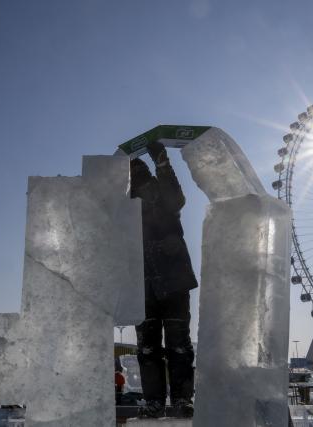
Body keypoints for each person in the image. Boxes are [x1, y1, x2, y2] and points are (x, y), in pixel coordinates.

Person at [131, 141, 197, 419]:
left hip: (172, 281)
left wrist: (163, 164)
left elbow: (176, 200)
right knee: (151, 348)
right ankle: (157, 401)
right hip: (144, 284)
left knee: (175, 344)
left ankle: (180, 400)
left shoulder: (161, 193)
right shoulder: (126, 204)